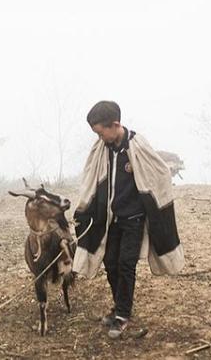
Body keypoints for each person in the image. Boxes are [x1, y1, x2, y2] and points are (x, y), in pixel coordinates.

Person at [72, 101, 184, 339]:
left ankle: (123, 314)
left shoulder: (136, 145)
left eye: (101, 132)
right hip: (110, 220)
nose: (100, 138)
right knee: (110, 263)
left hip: (133, 220)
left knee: (126, 264)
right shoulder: (102, 149)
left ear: (115, 125)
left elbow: (159, 172)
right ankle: (120, 305)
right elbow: (91, 178)